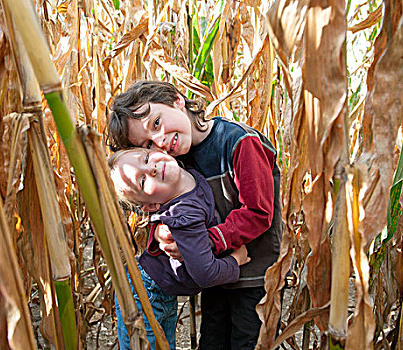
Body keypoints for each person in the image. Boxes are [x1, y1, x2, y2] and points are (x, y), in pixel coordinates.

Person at [106, 81, 282, 350]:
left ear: (177, 100)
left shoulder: (238, 142)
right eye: (149, 145)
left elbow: (258, 213)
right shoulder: (176, 160)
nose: (161, 143)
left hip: (253, 275)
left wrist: (205, 242)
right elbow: (165, 206)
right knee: (211, 341)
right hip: (218, 276)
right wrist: (164, 233)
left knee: (247, 342)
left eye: (156, 124)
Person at [109, 147, 250, 350]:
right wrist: (235, 261)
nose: (152, 169)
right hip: (144, 296)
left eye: (147, 158)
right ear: (151, 206)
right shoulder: (182, 216)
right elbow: (206, 273)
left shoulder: (189, 172)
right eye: (142, 181)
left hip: (161, 291)